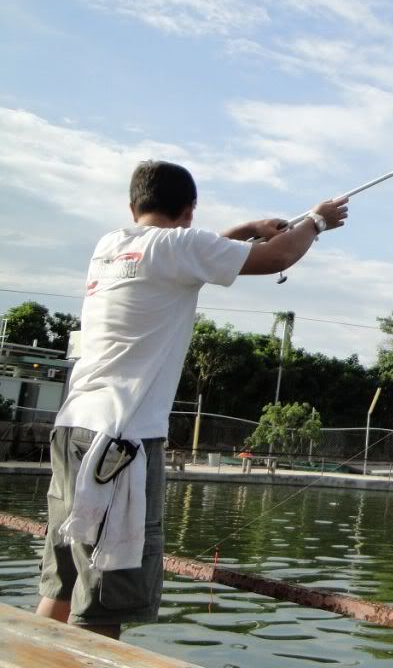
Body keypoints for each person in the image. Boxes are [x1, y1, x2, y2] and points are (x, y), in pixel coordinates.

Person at [36, 160, 348, 638]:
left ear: (133, 206)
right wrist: (317, 220)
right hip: (122, 443)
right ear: (189, 210)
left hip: (72, 429)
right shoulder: (178, 248)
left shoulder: (111, 246)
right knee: (105, 597)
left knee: (63, 579)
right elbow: (278, 257)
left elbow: (190, 250)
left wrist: (246, 229)